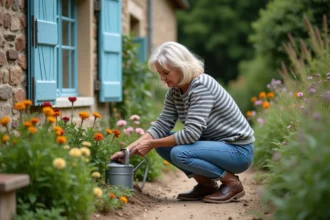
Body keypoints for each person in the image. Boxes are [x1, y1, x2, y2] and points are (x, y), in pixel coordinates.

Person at [110, 41, 254, 203]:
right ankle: (206, 185)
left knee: (179, 153)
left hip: (238, 151)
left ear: (182, 67)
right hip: (216, 146)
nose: (162, 78)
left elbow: (191, 134)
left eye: (166, 73)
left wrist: (152, 144)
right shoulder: (175, 92)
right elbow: (161, 126)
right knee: (164, 147)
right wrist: (128, 151)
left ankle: (232, 183)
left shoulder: (201, 86)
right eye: (160, 73)